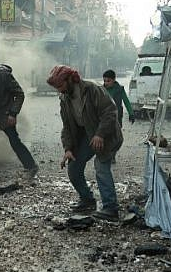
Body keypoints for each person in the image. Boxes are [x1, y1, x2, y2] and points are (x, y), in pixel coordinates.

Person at [47, 65, 123, 221]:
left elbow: (110, 112)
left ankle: (111, 208)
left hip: (106, 135)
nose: (59, 90)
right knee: (73, 167)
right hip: (87, 136)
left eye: (61, 85)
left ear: (70, 79)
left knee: (101, 167)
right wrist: (68, 148)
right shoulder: (64, 98)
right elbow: (67, 126)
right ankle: (87, 200)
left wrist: (100, 134)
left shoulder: (92, 89)